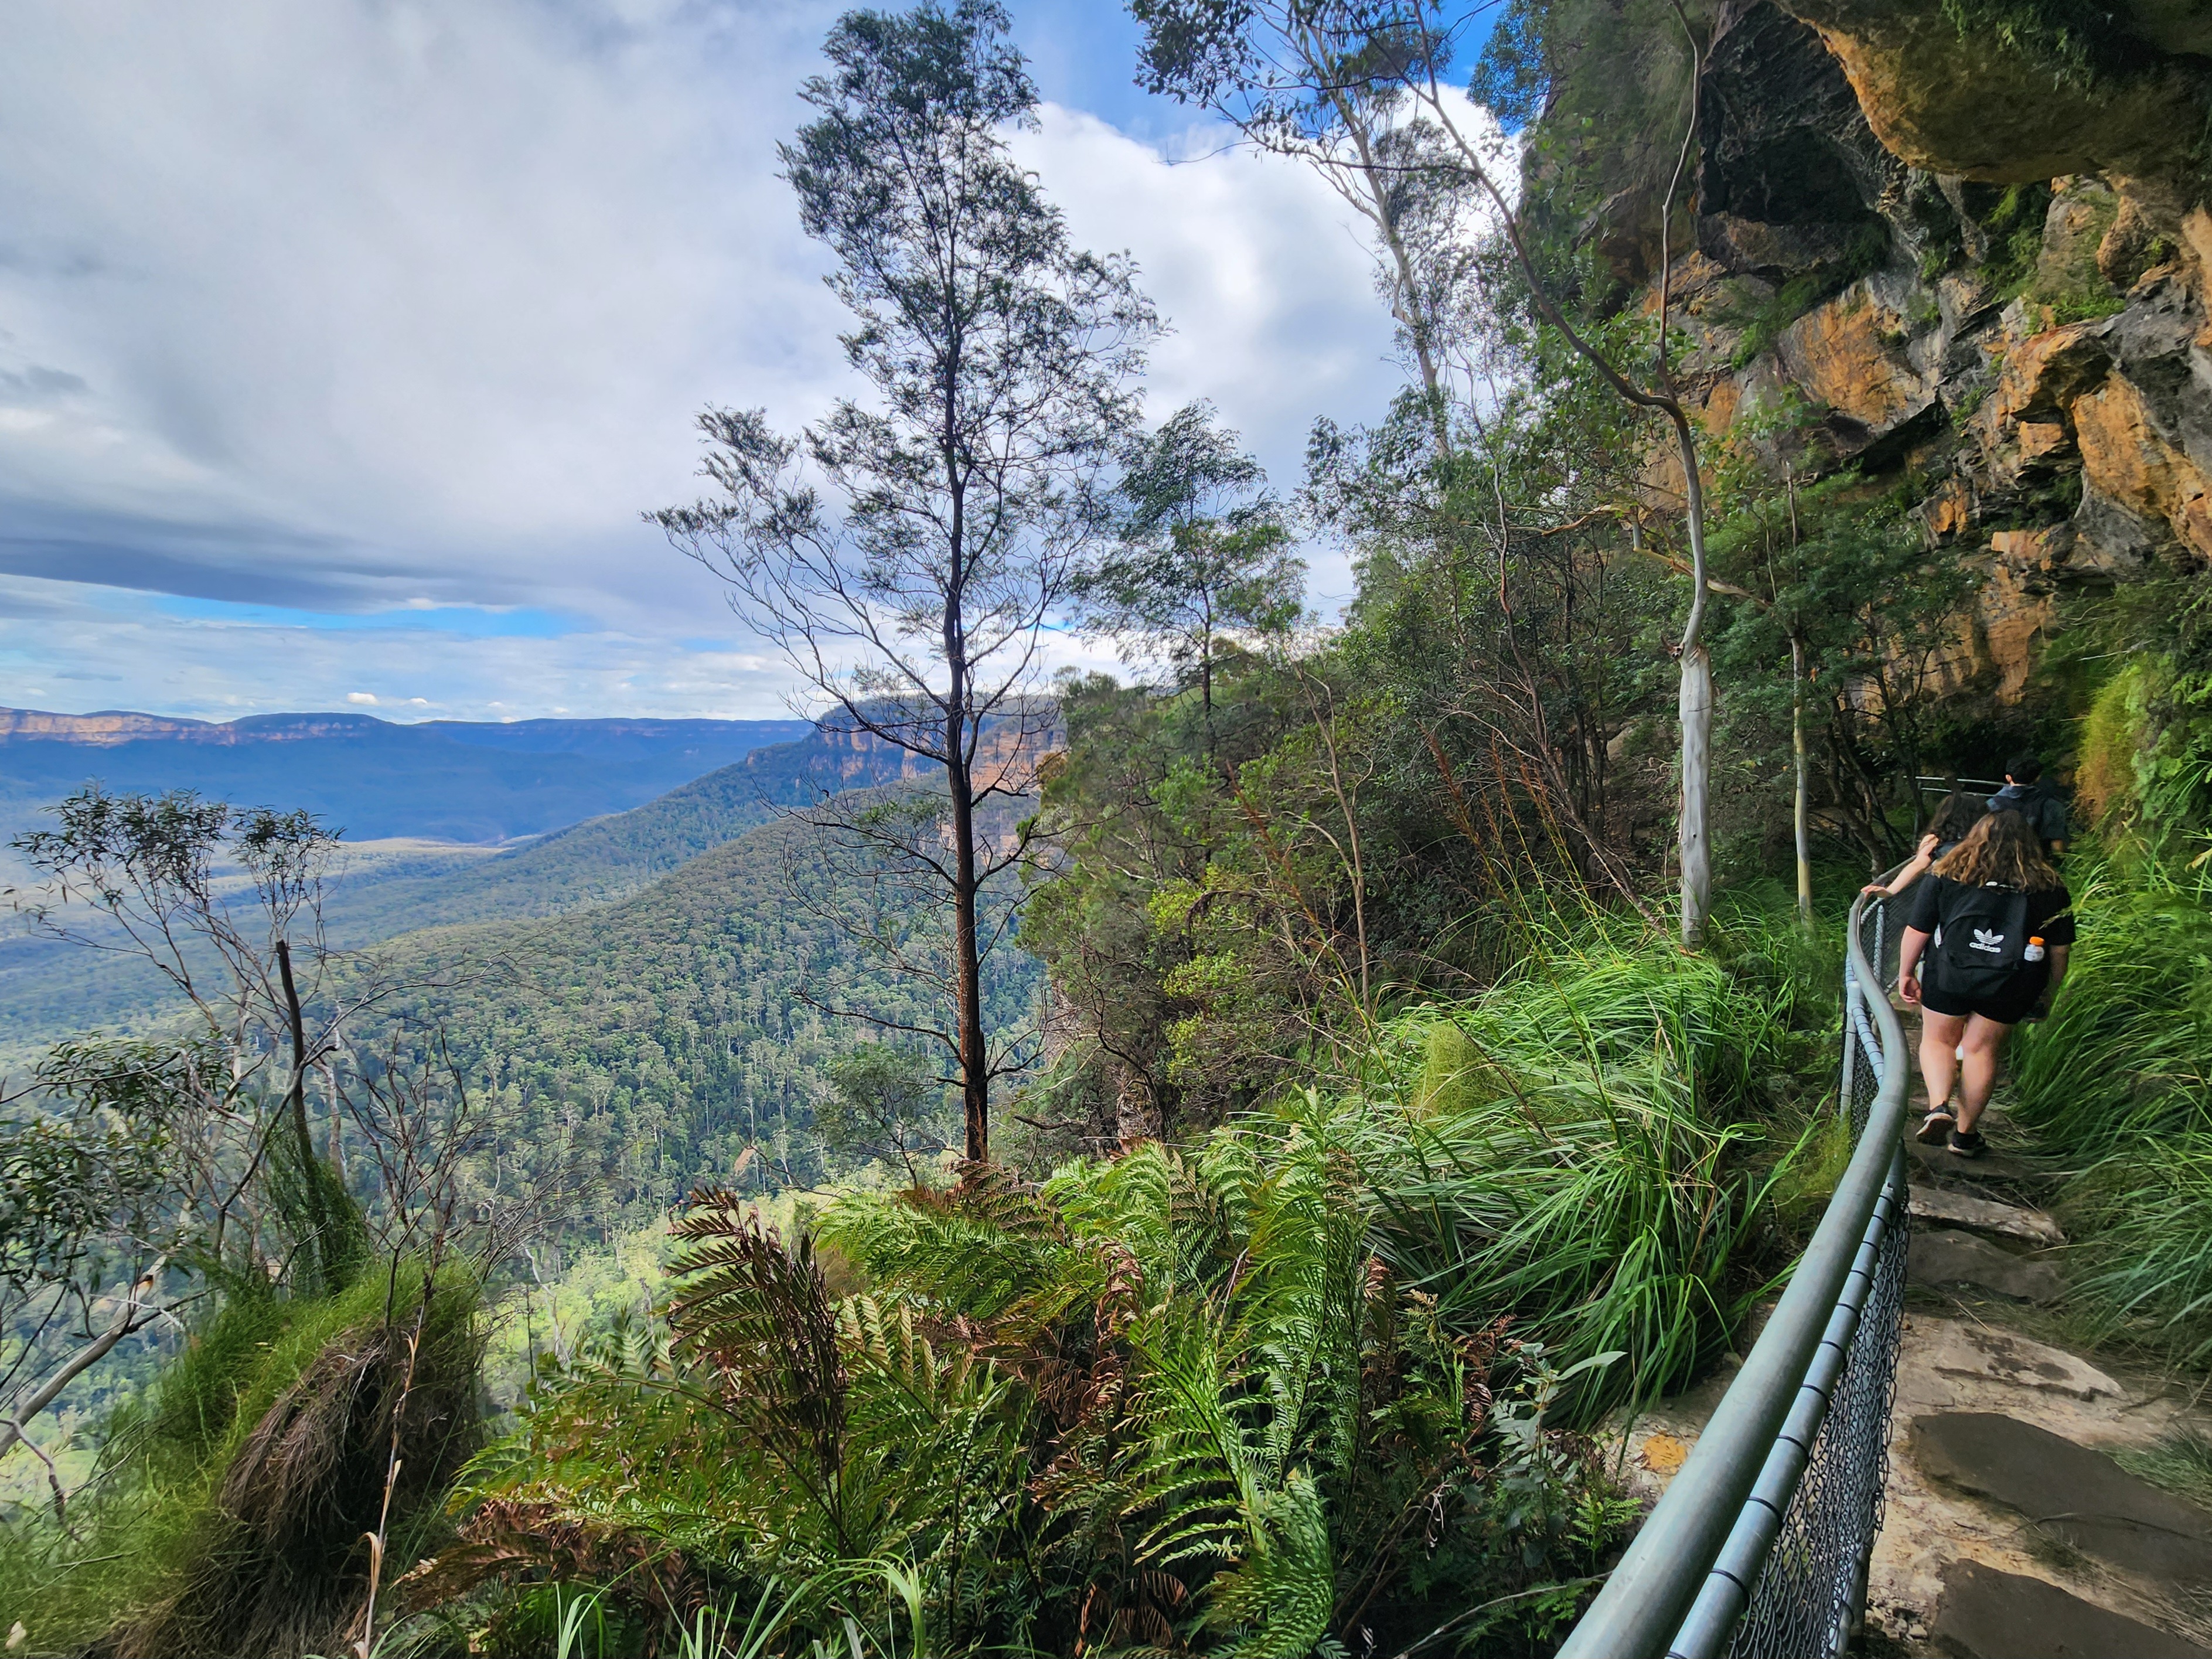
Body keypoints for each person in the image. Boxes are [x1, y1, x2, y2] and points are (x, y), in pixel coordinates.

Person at [1896, 810, 2073, 1157]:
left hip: (1949, 974)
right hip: (2012, 982)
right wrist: (2050, 991)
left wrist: (1906, 973)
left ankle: (1938, 1107)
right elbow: (2060, 949)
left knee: (1938, 1042)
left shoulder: (1946, 875)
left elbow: (1918, 929)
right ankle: (1965, 1137)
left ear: (1975, 837)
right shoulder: (2050, 887)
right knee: (1981, 1050)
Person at [1863, 789, 1987, 900]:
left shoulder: (1935, 840)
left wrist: (1890, 891)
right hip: (1982, 895)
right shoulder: (1988, 841)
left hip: (1948, 897)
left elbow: (1918, 865)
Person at [1987, 751, 2068, 857]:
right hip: (2036, 865)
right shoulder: (2052, 805)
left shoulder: (1991, 805)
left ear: (2008, 777)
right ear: (2038, 777)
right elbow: (2057, 844)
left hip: (1999, 863)